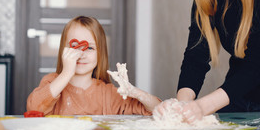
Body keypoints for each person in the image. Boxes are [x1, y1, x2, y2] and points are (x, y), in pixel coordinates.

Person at [27, 16, 161, 115]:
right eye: (74, 46)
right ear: (64, 51)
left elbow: (158, 109)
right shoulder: (52, 82)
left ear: (100, 54)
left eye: (89, 48)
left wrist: (135, 92)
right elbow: (34, 109)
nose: (81, 53)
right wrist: (66, 73)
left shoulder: (108, 94)